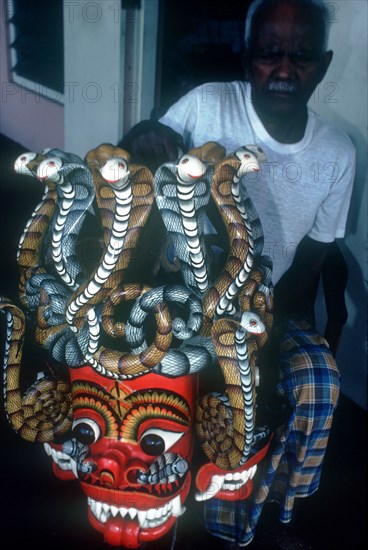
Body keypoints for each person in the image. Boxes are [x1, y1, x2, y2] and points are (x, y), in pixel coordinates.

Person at [118, 0, 356, 546]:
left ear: (322, 64)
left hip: (266, 305)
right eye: (270, 53)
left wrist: (259, 330)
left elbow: (316, 257)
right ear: (249, 60)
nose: (284, 69)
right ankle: (147, 498)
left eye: (300, 56)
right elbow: (137, 160)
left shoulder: (337, 153)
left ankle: (254, 510)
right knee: (146, 372)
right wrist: (142, 136)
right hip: (176, 295)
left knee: (318, 382)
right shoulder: (207, 106)